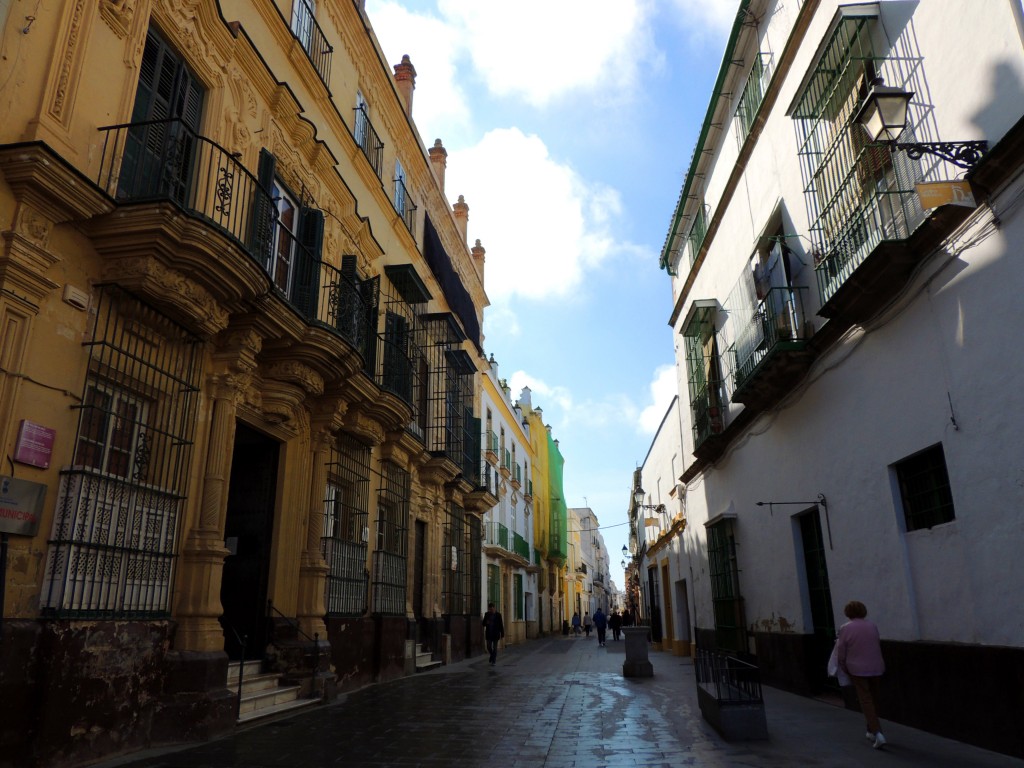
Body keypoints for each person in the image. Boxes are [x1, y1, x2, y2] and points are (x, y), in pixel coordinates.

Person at [836, 600, 886, 749]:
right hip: (876, 667)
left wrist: (844, 667)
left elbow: (841, 652)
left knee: (865, 700)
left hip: (857, 669)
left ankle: (877, 733)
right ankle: (870, 730)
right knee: (874, 698)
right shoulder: (872, 626)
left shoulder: (845, 628)